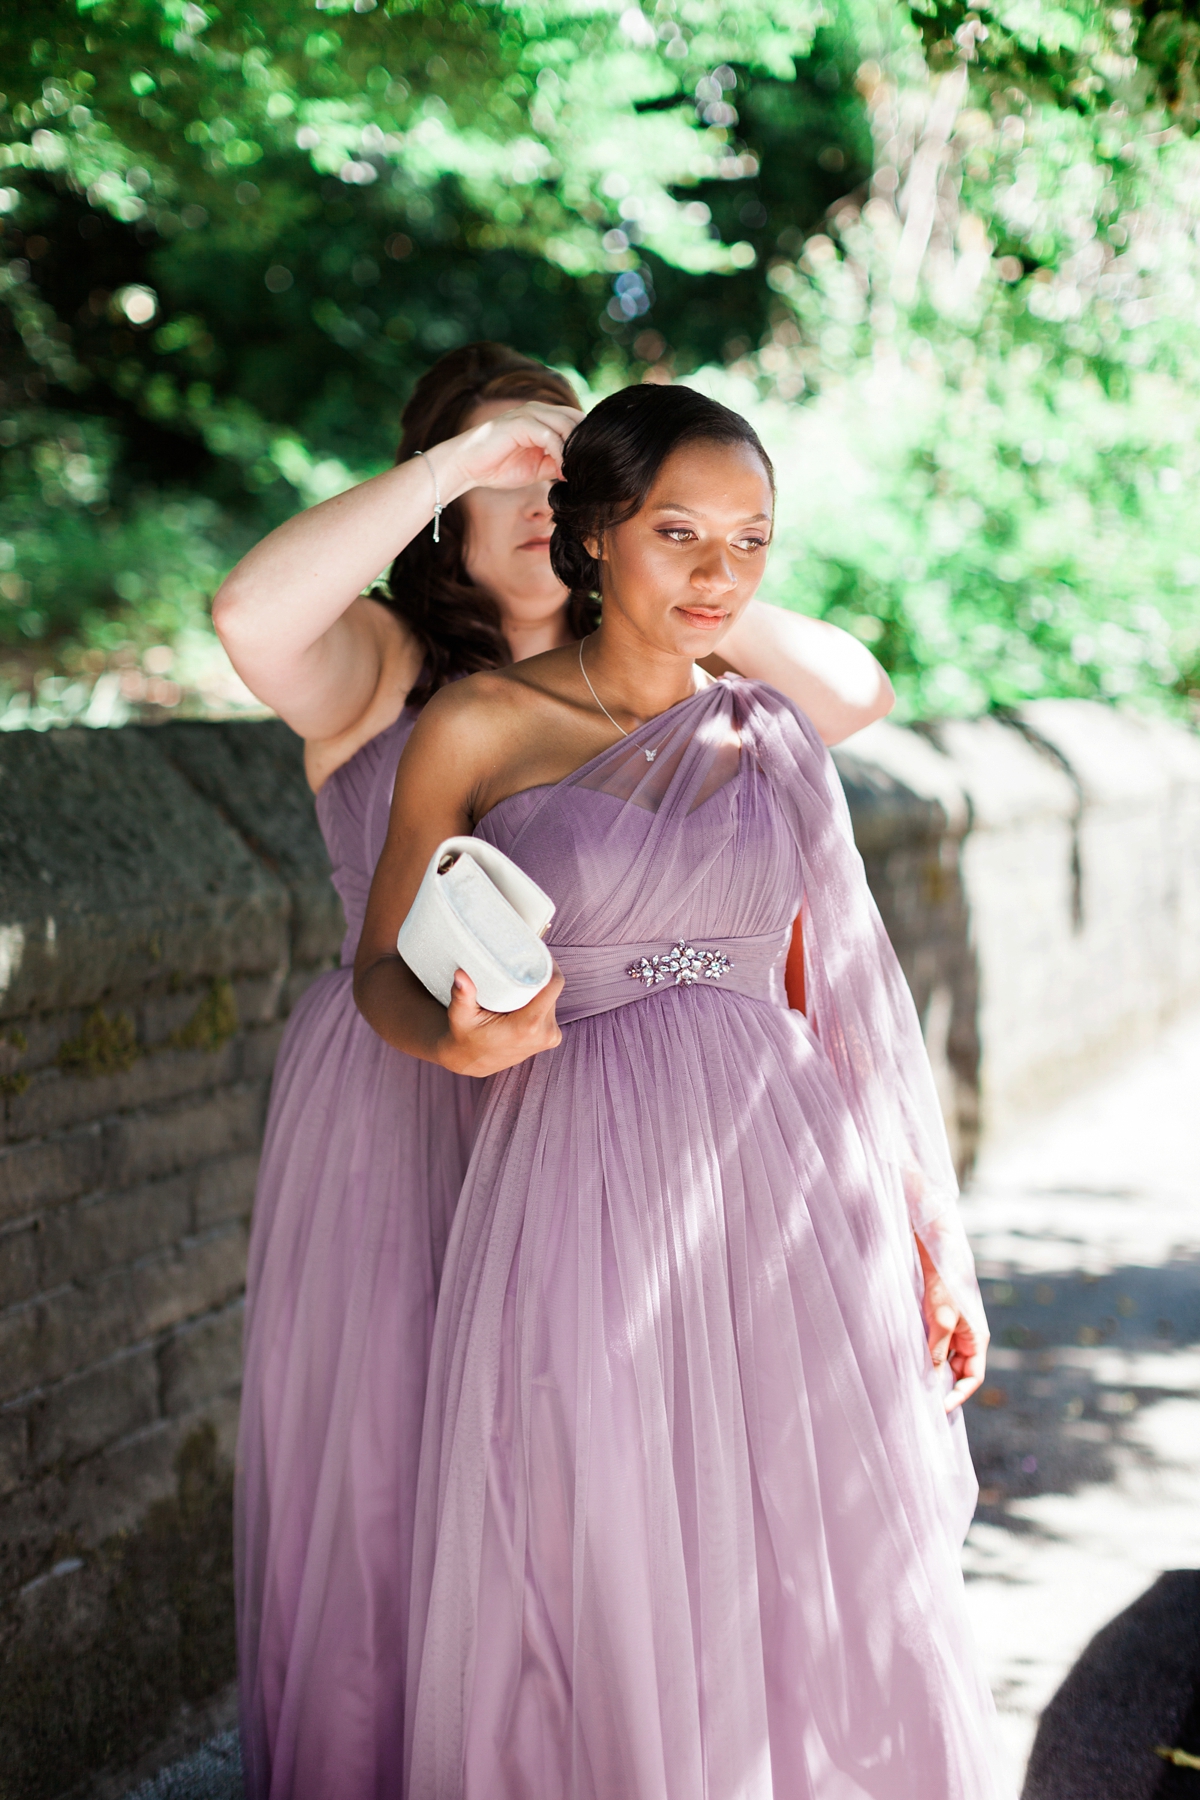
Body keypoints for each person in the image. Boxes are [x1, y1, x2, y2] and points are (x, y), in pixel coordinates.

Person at [213, 342, 897, 1800]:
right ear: (441, 508)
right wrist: (470, 456)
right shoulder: (392, 670)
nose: (538, 485)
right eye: (507, 469)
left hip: (608, 1129)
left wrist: (674, 546)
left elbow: (845, 692)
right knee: (403, 1480)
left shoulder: (683, 688)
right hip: (403, 1111)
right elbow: (248, 612)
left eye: (563, 464)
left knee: (607, 1491)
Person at [355, 382, 998, 1799]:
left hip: (783, 1176)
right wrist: (457, 1042)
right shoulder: (478, 723)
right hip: (578, 1167)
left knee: (804, 1529)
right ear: (592, 538)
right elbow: (380, 976)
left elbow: (849, 1013)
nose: (721, 573)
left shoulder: (771, 741)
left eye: (753, 540)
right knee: (603, 1525)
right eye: (681, 534)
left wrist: (927, 1241)